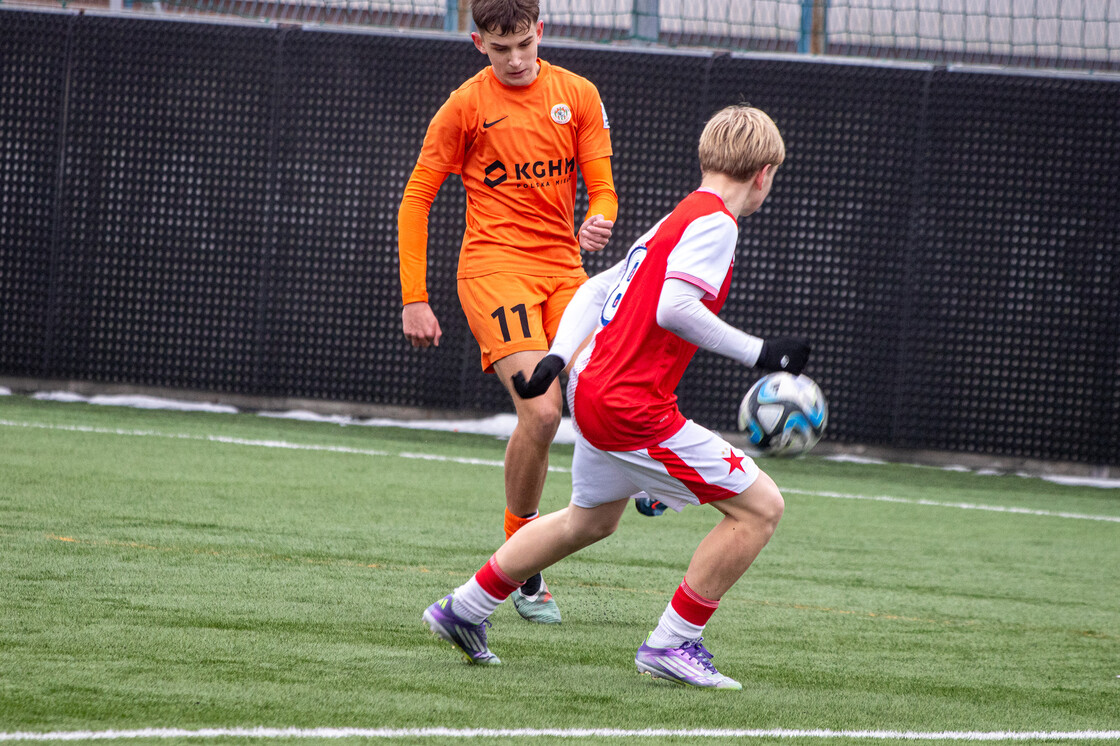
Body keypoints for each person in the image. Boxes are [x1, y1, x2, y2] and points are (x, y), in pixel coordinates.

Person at [422, 103, 812, 689]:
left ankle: (465, 609)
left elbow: (598, 286)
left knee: (589, 521)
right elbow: (674, 309)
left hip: (594, 389)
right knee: (762, 507)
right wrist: (761, 353)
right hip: (631, 407)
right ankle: (673, 644)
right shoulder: (717, 224)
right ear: (763, 174)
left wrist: (558, 354)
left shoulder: (681, 214)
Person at [397, 0, 618, 624]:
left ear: (539, 32)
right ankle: (523, 566)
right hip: (494, 272)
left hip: (564, 273)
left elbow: (601, 185)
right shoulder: (465, 106)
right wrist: (416, 295)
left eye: (524, 43)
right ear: (478, 44)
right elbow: (417, 198)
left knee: (609, 392)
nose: (516, 59)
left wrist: (599, 215)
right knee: (544, 410)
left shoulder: (577, 95)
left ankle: (650, 481)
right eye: (501, 49)